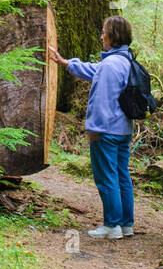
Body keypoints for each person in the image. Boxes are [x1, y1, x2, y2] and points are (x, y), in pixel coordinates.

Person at [47, 16, 137, 240]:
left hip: (106, 130)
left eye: (104, 32)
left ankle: (112, 225)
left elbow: (101, 100)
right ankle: (126, 224)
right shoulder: (125, 60)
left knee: (107, 177)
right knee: (121, 175)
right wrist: (66, 63)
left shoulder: (110, 65)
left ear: (113, 36)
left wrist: (94, 128)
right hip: (123, 129)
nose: (101, 36)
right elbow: (93, 70)